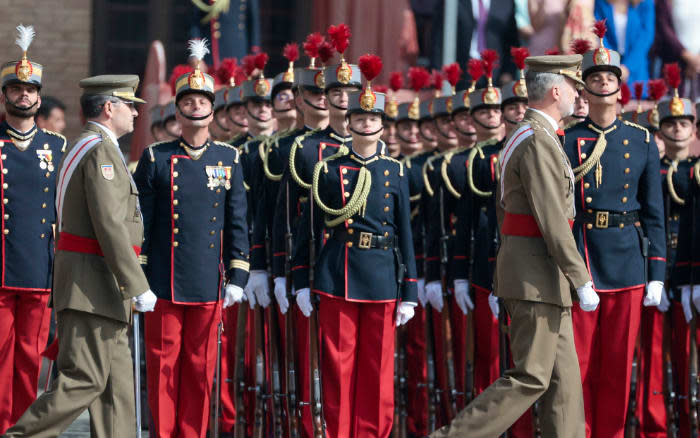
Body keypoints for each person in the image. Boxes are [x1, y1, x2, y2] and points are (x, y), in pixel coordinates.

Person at [431, 54, 597, 438]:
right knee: (531, 376)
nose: (578, 96)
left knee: (565, 383)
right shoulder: (537, 140)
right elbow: (552, 217)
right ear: (557, 90)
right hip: (535, 276)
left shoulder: (538, 135)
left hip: (544, 276)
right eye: (575, 87)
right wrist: (581, 277)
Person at [3, 73, 156, 438]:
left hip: (103, 287)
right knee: (84, 380)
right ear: (108, 108)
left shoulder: (93, 145)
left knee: (116, 391)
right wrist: (136, 282)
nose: (135, 114)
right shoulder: (99, 149)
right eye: (129, 106)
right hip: (94, 286)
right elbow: (109, 223)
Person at [292, 54, 418, 438]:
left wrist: (409, 290)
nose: (366, 125)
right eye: (360, 119)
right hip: (338, 273)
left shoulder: (396, 170)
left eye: (373, 119)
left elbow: (405, 234)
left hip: (381, 274)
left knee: (378, 370)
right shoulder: (327, 168)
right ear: (348, 123)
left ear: (382, 125)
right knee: (338, 366)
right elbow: (308, 228)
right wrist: (299, 279)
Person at [133, 39, 249, 438]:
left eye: (203, 100)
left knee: (201, 371)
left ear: (212, 110)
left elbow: (237, 223)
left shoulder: (229, 159)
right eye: (189, 100)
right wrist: (138, 279)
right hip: (163, 283)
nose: (196, 105)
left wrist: (239, 276)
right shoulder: (155, 158)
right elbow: (140, 223)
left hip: (208, 282)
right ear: (177, 109)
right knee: (163, 368)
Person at [563, 28, 665, 438]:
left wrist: (657, 272)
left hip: (626, 260)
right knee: (579, 363)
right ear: (584, 88)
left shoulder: (641, 141)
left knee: (619, 365)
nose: (603, 82)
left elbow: (654, 212)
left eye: (610, 77)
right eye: (595, 77)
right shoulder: (568, 139)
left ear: (620, 87)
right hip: (583, 257)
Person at [0, 25, 67, 434]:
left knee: (29, 360)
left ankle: (22, 431)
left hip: (39, 269)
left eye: (30, 90)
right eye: (16, 89)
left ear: (39, 97)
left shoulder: (58, 146)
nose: (23, 95)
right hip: (1, 269)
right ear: (5, 95)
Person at [655, 81, 697, 438]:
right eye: (670, 124)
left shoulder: (697, 170)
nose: (677, 129)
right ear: (660, 130)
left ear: (694, 130)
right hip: (658, 271)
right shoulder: (651, 169)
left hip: (689, 275)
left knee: (689, 361)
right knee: (656, 360)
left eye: (684, 124)